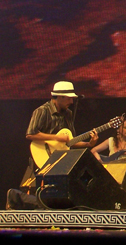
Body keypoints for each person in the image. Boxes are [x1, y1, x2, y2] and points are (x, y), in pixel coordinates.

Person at [8, 81, 99, 209]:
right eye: (69, 99)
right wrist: (56, 137)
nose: (71, 102)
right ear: (60, 97)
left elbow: (70, 141)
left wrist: (89, 143)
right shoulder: (42, 111)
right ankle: (16, 196)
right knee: (45, 194)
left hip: (60, 160)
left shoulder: (68, 114)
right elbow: (30, 134)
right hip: (42, 155)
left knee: (57, 195)